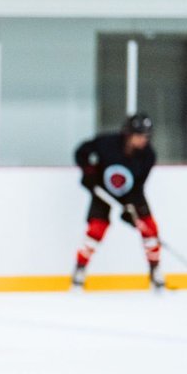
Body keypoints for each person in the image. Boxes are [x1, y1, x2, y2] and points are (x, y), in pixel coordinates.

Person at [71, 113, 162, 290]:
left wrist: (129, 209)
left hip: (131, 194)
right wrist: (88, 172)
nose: (144, 140)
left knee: (149, 228)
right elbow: (81, 152)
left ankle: (155, 270)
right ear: (128, 134)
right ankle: (80, 269)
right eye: (140, 135)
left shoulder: (148, 156)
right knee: (96, 228)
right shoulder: (107, 143)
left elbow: (138, 186)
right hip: (102, 190)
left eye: (147, 136)